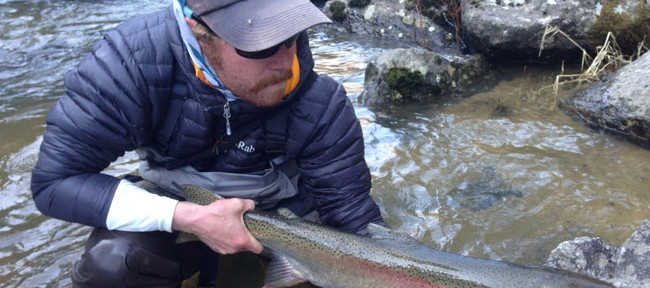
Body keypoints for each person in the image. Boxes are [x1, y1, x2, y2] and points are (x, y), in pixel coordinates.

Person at [30, 0, 384, 287]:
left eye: (291, 35)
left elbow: (356, 225)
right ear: (198, 30)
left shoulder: (322, 101)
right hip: (179, 208)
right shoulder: (129, 64)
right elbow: (55, 183)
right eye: (260, 44)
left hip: (288, 223)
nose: (286, 63)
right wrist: (188, 217)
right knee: (112, 265)